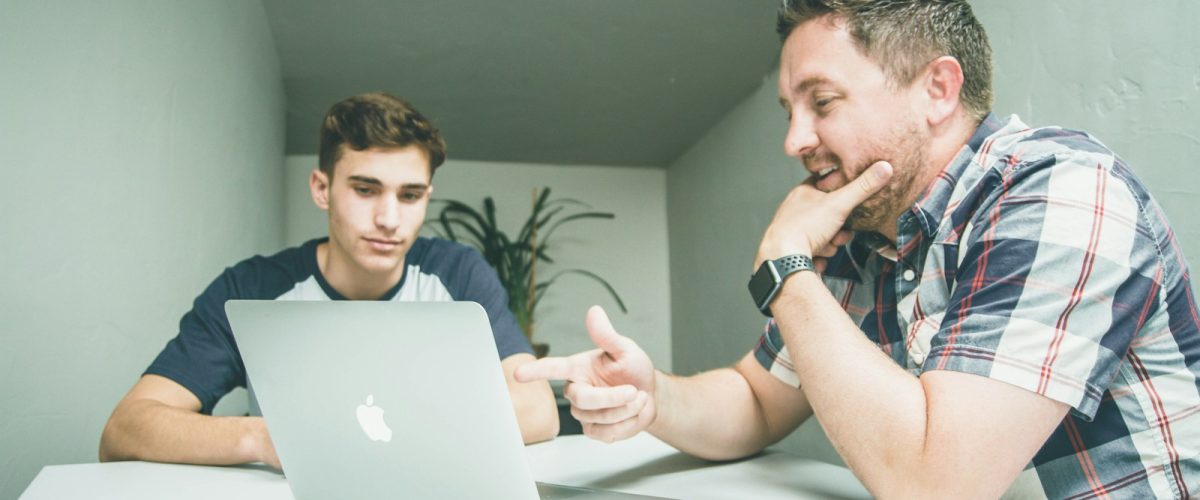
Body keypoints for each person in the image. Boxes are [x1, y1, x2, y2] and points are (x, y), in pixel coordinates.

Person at [516, 1, 1200, 498]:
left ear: (937, 89)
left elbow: (937, 487)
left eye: (822, 102)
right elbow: (758, 399)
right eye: (790, 110)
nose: (795, 140)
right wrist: (653, 398)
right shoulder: (867, 234)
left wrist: (786, 266)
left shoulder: (1062, 192)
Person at [99, 92, 559, 469]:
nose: (389, 219)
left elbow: (538, 410)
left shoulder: (457, 273)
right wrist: (265, 438)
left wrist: (372, 431)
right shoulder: (252, 288)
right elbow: (126, 428)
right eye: (365, 189)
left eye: (410, 195)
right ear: (322, 188)